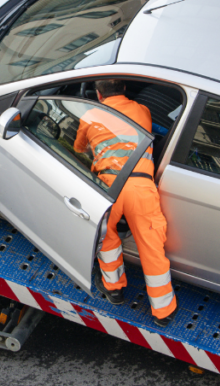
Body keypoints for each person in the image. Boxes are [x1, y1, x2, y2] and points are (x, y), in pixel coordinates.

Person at [73, 79, 177, 326]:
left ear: (98, 95)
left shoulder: (89, 116)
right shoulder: (143, 110)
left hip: (108, 187)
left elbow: (78, 149)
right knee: (151, 246)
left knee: (106, 239)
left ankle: (114, 289)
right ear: (125, 90)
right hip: (141, 186)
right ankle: (163, 311)